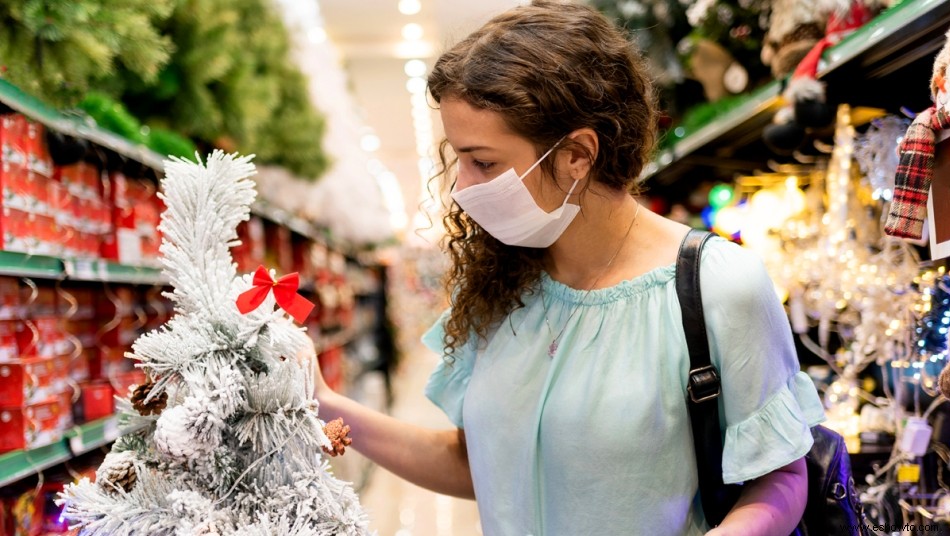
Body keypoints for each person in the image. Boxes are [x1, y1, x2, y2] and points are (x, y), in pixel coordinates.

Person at [311, 1, 826, 534]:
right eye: (458, 158)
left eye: (483, 162)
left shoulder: (716, 286)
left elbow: (781, 476)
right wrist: (323, 403)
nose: (462, 187)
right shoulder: (498, 285)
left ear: (577, 154)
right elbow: (480, 464)